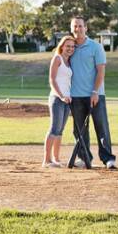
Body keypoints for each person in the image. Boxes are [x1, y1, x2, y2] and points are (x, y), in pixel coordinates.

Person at [68, 17, 117, 169]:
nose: (78, 29)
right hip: (76, 96)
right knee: (80, 130)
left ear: (86, 28)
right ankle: (84, 158)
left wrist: (95, 91)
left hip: (95, 95)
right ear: (72, 29)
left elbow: (101, 71)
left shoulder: (96, 47)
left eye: (80, 26)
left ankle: (108, 159)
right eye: (75, 26)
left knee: (101, 126)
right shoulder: (70, 48)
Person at [43, 35, 75, 168]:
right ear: (62, 46)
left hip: (67, 100)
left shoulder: (69, 62)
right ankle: (46, 160)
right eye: (67, 46)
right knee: (54, 129)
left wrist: (68, 96)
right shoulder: (57, 58)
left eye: (72, 46)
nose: (70, 49)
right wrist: (61, 96)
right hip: (57, 98)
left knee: (60, 131)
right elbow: (52, 80)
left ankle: (56, 159)